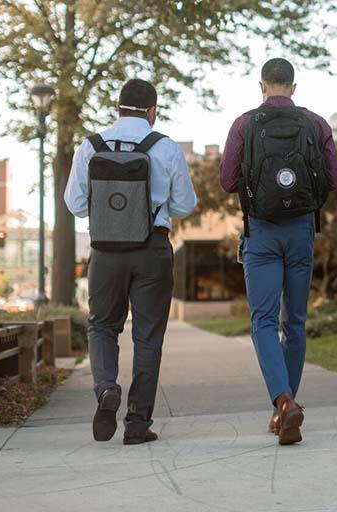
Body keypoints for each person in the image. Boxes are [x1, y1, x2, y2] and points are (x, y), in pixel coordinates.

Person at [65, 78, 197, 444]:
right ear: (153, 110)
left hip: (105, 251)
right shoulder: (166, 147)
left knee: (102, 326)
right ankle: (138, 424)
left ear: (117, 107)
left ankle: (107, 387)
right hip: (152, 249)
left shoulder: (90, 147)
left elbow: (75, 205)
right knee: (148, 337)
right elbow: (186, 205)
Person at [219, 58, 337, 445]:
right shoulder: (315, 123)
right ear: (293, 86)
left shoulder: (244, 123)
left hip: (262, 233)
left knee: (263, 322)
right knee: (296, 322)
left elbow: (226, 181)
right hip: (302, 228)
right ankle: (285, 406)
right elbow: (334, 180)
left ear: (262, 86)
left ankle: (284, 402)